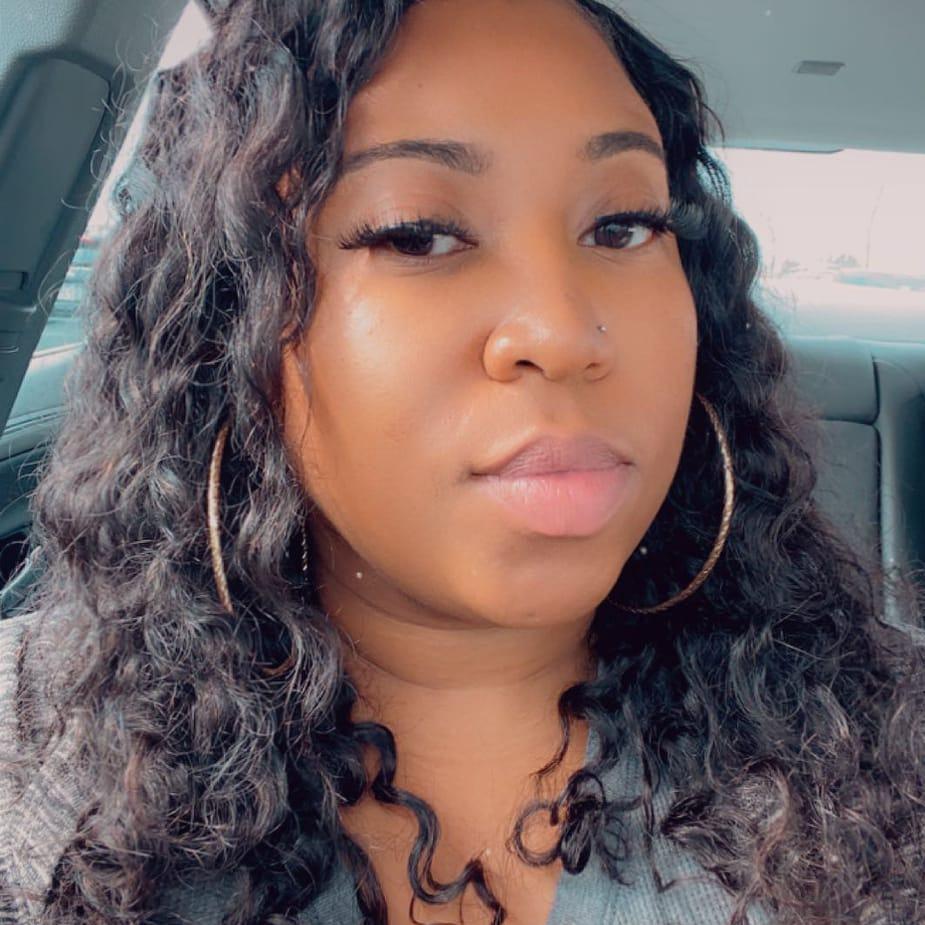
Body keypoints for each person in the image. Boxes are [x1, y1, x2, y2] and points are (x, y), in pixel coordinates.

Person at [1, 0, 924, 923]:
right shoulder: (33, 760)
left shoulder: (888, 733)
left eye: (622, 226)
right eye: (416, 233)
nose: (562, 331)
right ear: (228, 326)